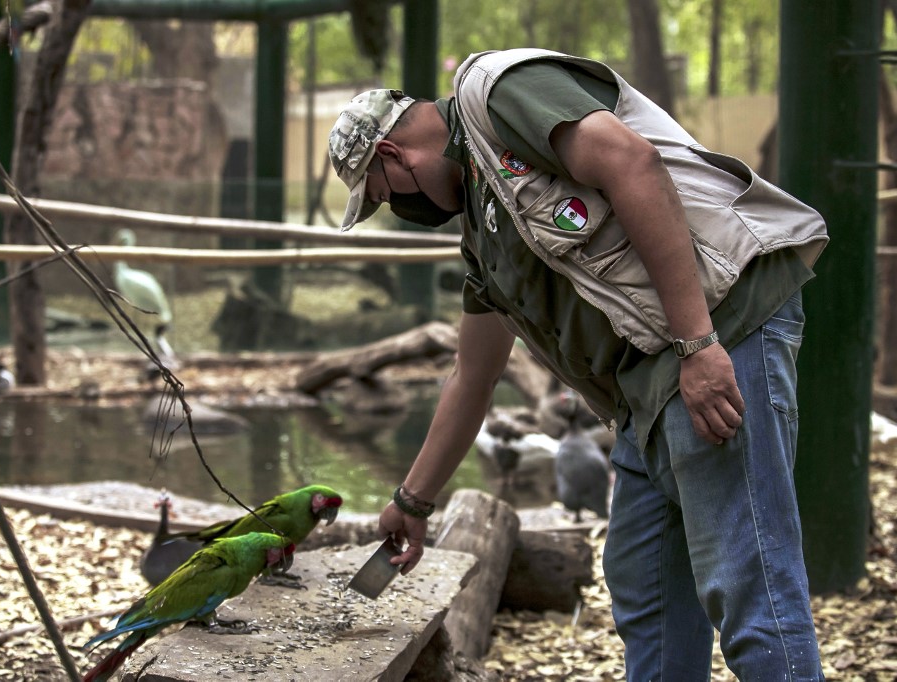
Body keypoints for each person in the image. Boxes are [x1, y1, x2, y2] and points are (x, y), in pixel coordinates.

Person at [329, 48, 828, 681]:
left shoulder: (496, 90)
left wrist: (698, 345)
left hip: (719, 329)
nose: (401, 211)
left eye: (382, 196)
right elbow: (472, 378)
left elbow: (632, 162)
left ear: (393, 158)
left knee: (747, 582)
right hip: (645, 392)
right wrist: (414, 501)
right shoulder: (484, 240)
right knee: (644, 584)